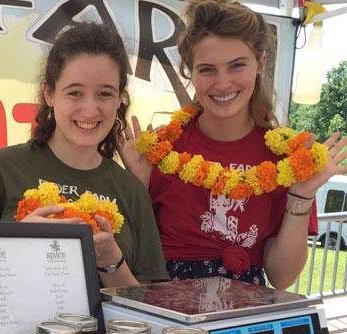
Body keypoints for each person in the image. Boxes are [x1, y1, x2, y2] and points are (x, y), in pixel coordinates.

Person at [120, 0, 347, 289]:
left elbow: (282, 277)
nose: (223, 83)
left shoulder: (288, 159)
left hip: (241, 322)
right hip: (169, 318)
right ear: (190, 72)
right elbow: (135, 258)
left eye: (236, 65)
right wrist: (139, 185)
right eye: (207, 70)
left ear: (260, 63)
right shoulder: (161, 149)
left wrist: (301, 194)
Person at [0, 22, 169, 293]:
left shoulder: (131, 190)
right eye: (75, 92)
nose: (90, 109)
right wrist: (18, 243)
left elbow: (146, 307)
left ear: (120, 98)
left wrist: (110, 259)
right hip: (8, 333)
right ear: (49, 94)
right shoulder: (2, 168)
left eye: (105, 94)